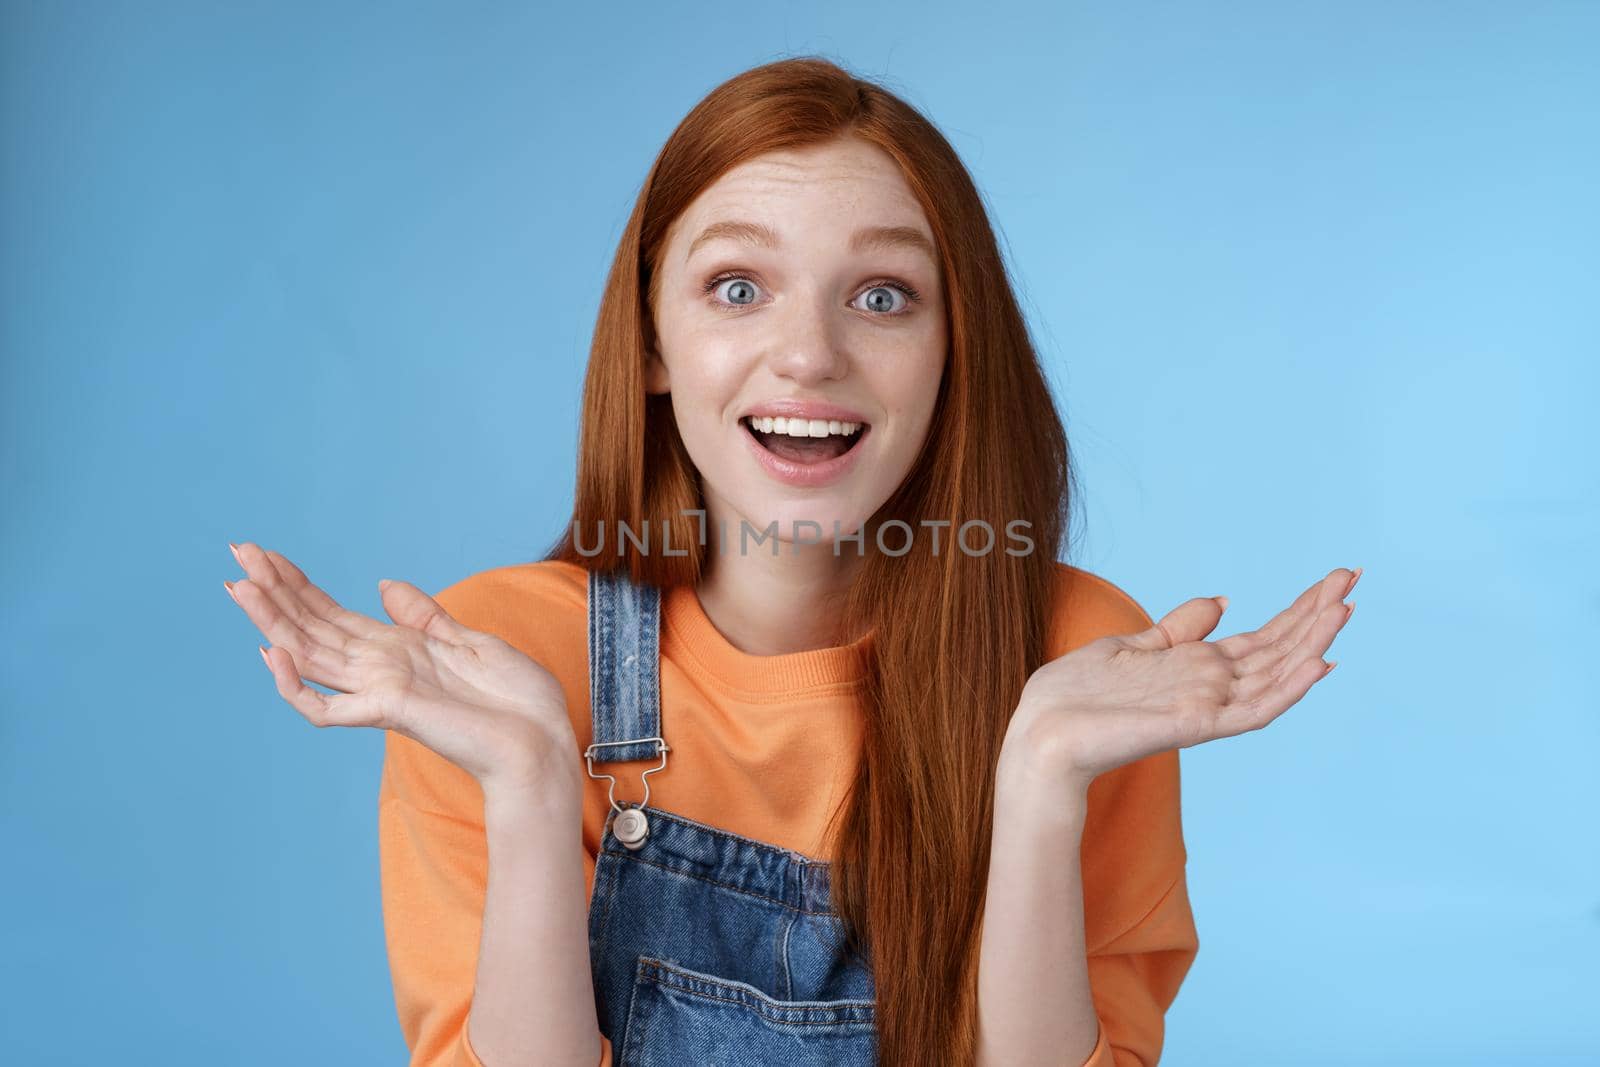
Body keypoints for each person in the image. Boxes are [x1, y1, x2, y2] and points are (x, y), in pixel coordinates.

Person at [223, 56, 1358, 1067]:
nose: (810, 353)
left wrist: (1041, 782)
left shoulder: (1077, 658)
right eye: (736, 287)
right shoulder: (501, 658)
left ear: (953, 353)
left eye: (883, 296)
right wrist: (526, 779)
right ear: (653, 341)